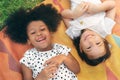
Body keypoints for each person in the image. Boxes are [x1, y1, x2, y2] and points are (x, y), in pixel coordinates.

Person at [4, 4, 80, 80]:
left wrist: (63, 58)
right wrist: (40, 78)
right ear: (28, 40)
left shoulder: (60, 49)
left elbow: (77, 70)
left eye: (42, 29)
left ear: (50, 32)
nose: (39, 33)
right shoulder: (28, 58)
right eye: (33, 33)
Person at [60, 0, 116, 66]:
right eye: (98, 43)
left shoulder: (74, 34)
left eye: (89, 47)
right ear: (103, 40)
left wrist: (74, 14)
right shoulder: (105, 29)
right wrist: (98, 8)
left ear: (81, 48)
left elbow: (64, 15)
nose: (90, 40)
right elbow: (112, 6)